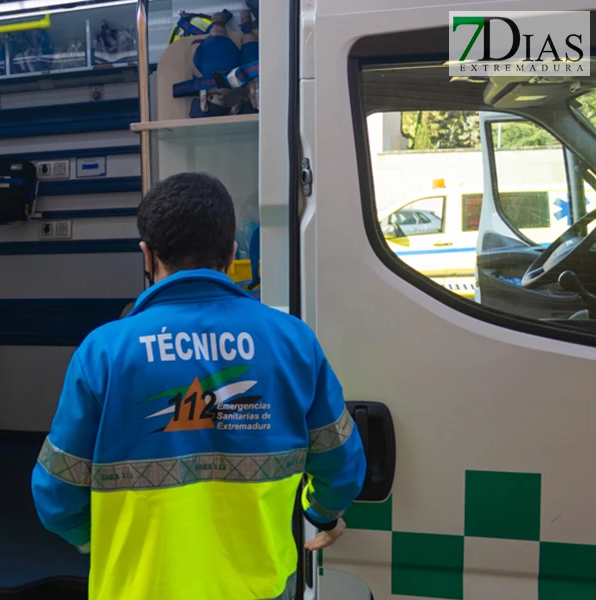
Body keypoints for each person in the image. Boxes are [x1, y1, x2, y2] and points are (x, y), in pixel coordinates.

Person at [31, 172, 366, 599]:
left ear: (147, 255)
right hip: (256, 587)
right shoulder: (291, 341)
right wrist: (322, 514)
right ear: (230, 252)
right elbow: (342, 464)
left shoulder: (104, 352)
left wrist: (100, 541)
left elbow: (55, 494)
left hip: (139, 588)